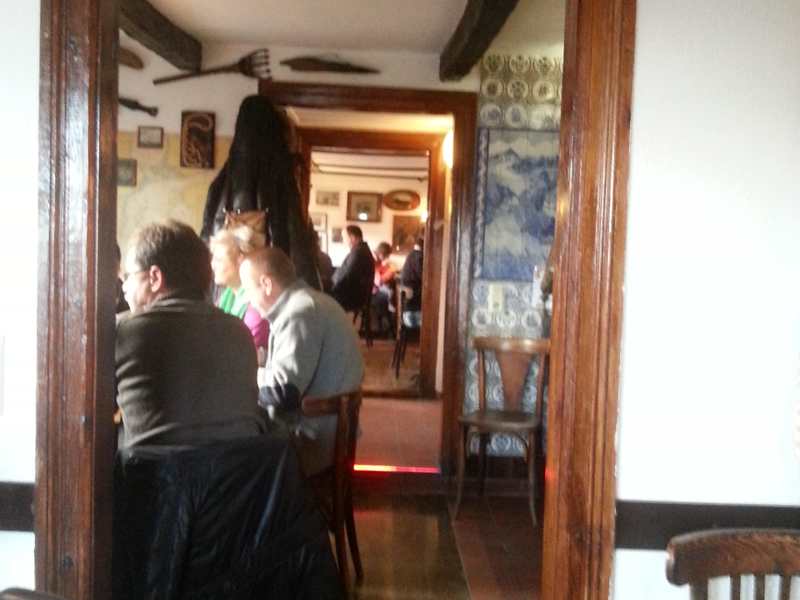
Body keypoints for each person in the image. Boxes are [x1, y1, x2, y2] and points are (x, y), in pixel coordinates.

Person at [116, 220, 266, 447]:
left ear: (155, 277)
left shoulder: (123, 332)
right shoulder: (240, 332)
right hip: (238, 469)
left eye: (128, 275)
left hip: (154, 470)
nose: (124, 286)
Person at [239, 247, 364, 475]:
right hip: (328, 435)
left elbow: (282, 393)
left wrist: (245, 373)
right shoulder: (309, 302)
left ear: (266, 284)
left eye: (247, 290)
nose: (248, 300)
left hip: (313, 444)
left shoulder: (299, 312)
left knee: (228, 457)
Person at [209, 225, 269, 351]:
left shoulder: (256, 306)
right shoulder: (227, 297)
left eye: (219, 260)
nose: (212, 265)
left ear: (240, 260)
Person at [330, 225, 375, 313]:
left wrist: (330, 284)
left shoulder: (358, 252)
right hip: (356, 295)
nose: (344, 240)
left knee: (322, 297)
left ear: (353, 237)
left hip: (352, 298)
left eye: (344, 237)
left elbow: (345, 276)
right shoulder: (361, 250)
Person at [371, 241, 396, 337]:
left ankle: (389, 327)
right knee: (389, 293)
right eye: (386, 256)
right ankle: (389, 327)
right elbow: (378, 280)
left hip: (375, 287)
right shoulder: (373, 260)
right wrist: (390, 272)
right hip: (371, 290)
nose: (386, 258)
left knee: (390, 291)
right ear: (382, 253)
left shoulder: (377, 261)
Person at [400, 237, 424, 327]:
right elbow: (422, 276)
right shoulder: (419, 256)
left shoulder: (411, 254)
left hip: (408, 289)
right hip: (413, 291)